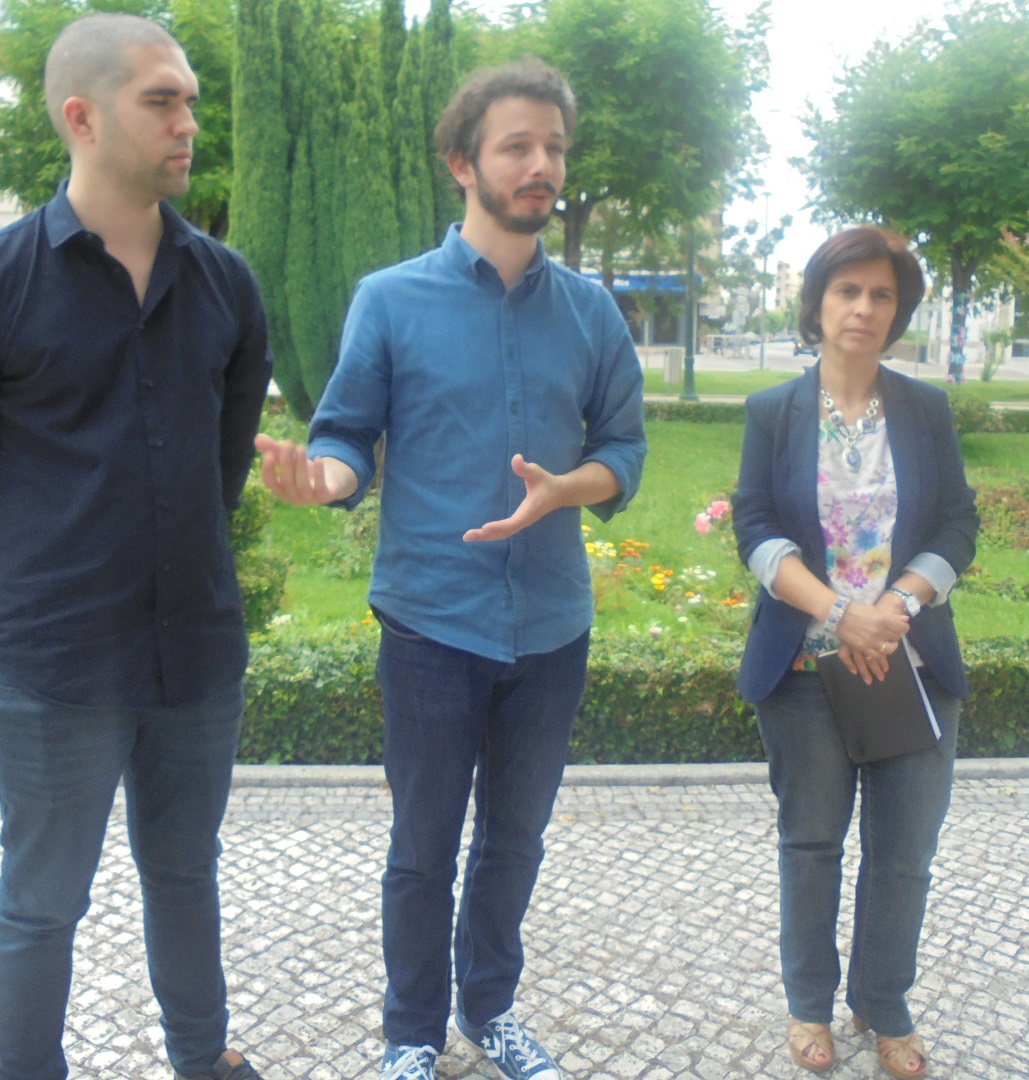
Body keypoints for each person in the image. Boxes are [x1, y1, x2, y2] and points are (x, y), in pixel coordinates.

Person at [254, 58, 646, 1080]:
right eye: (517, 145)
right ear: (460, 162)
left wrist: (568, 489)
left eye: (554, 146)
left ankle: (490, 1009)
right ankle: (412, 1032)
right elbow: (346, 434)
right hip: (431, 621)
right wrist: (324, 480)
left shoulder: (593, 313)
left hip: (552, 625)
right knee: (423, 845)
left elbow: (625, 449)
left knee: (516, 840)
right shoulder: (390, 300)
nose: (541, 164)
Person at [0, 14, 272, 1080]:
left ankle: (203, 1061)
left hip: (193, 654)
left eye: (189, 99)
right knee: (41, 901)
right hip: (51, 666)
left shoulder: (225, 284)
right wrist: (42, 575)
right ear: (82, 116)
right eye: (162, 100)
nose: (188, 121)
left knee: (186, 875)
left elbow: (222, 466)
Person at [731, 227, 978, 1079]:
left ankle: (884, 1003)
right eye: (848, 291)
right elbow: (755, 526)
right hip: (805, 669)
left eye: (881, 295)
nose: (864, 308)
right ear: (818, 303)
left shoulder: (925, 410)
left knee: (905, 854)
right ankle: (809, 1005)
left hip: (912, 663)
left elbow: (957, 524)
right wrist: (842, 613)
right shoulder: (773, 412)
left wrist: (897, 605)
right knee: (811, 843)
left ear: (897, 312)